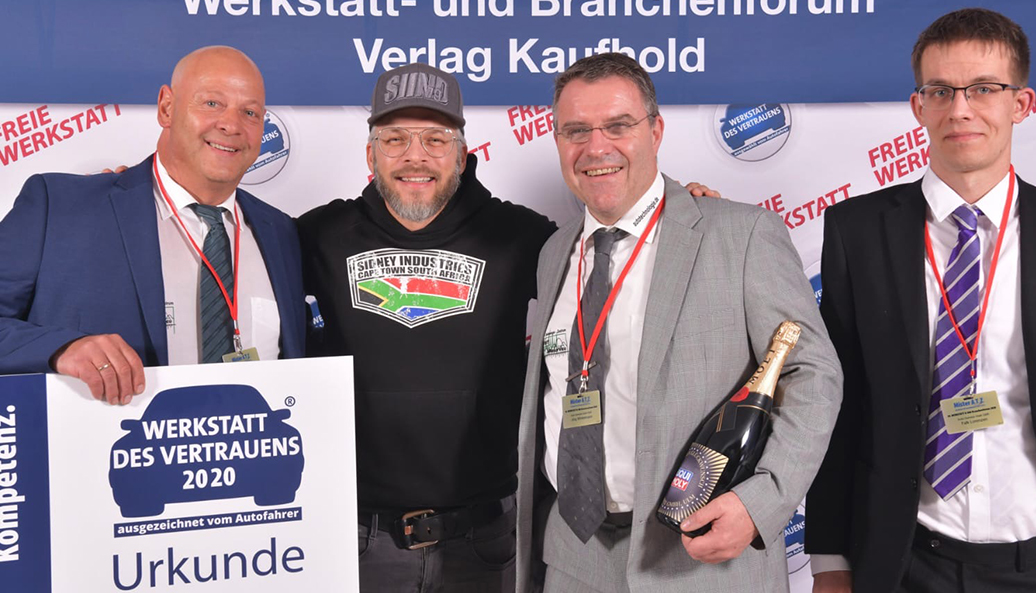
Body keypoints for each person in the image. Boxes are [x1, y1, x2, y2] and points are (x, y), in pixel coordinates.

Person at [805, 8, 1036, 593]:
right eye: (941, 91)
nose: (960, 109)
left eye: (984, 89)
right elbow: (837, 406)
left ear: (1021, 103)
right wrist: (830, 559)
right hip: (905, 564)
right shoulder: (857, 231)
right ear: (918, 106)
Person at [515, 52, 842, 592]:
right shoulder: (555, 251)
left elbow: (813, 374)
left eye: (618, 126)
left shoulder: (741, 234)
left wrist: (760, 501)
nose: (596, 147)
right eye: (576, 131)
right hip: (574, 559)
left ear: (656, 131)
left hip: (701, 561)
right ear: (557, 141)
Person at [297, 62, 557, 592]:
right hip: (357, 538)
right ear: (370, 155)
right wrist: (133, 205)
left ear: (461, 154)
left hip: (485, 539)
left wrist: (684, 215)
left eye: (435, 139)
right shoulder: (318, 235)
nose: (415, 156)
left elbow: (618, 266)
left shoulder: (522, 236)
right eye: (395, 139)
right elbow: (224, 264)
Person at [0, 45, 305, 403]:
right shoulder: (60, 207)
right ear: (166, 108)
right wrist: (61, 348)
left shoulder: (281, 232)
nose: (231, 125)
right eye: (212, 103)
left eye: (250, 112)